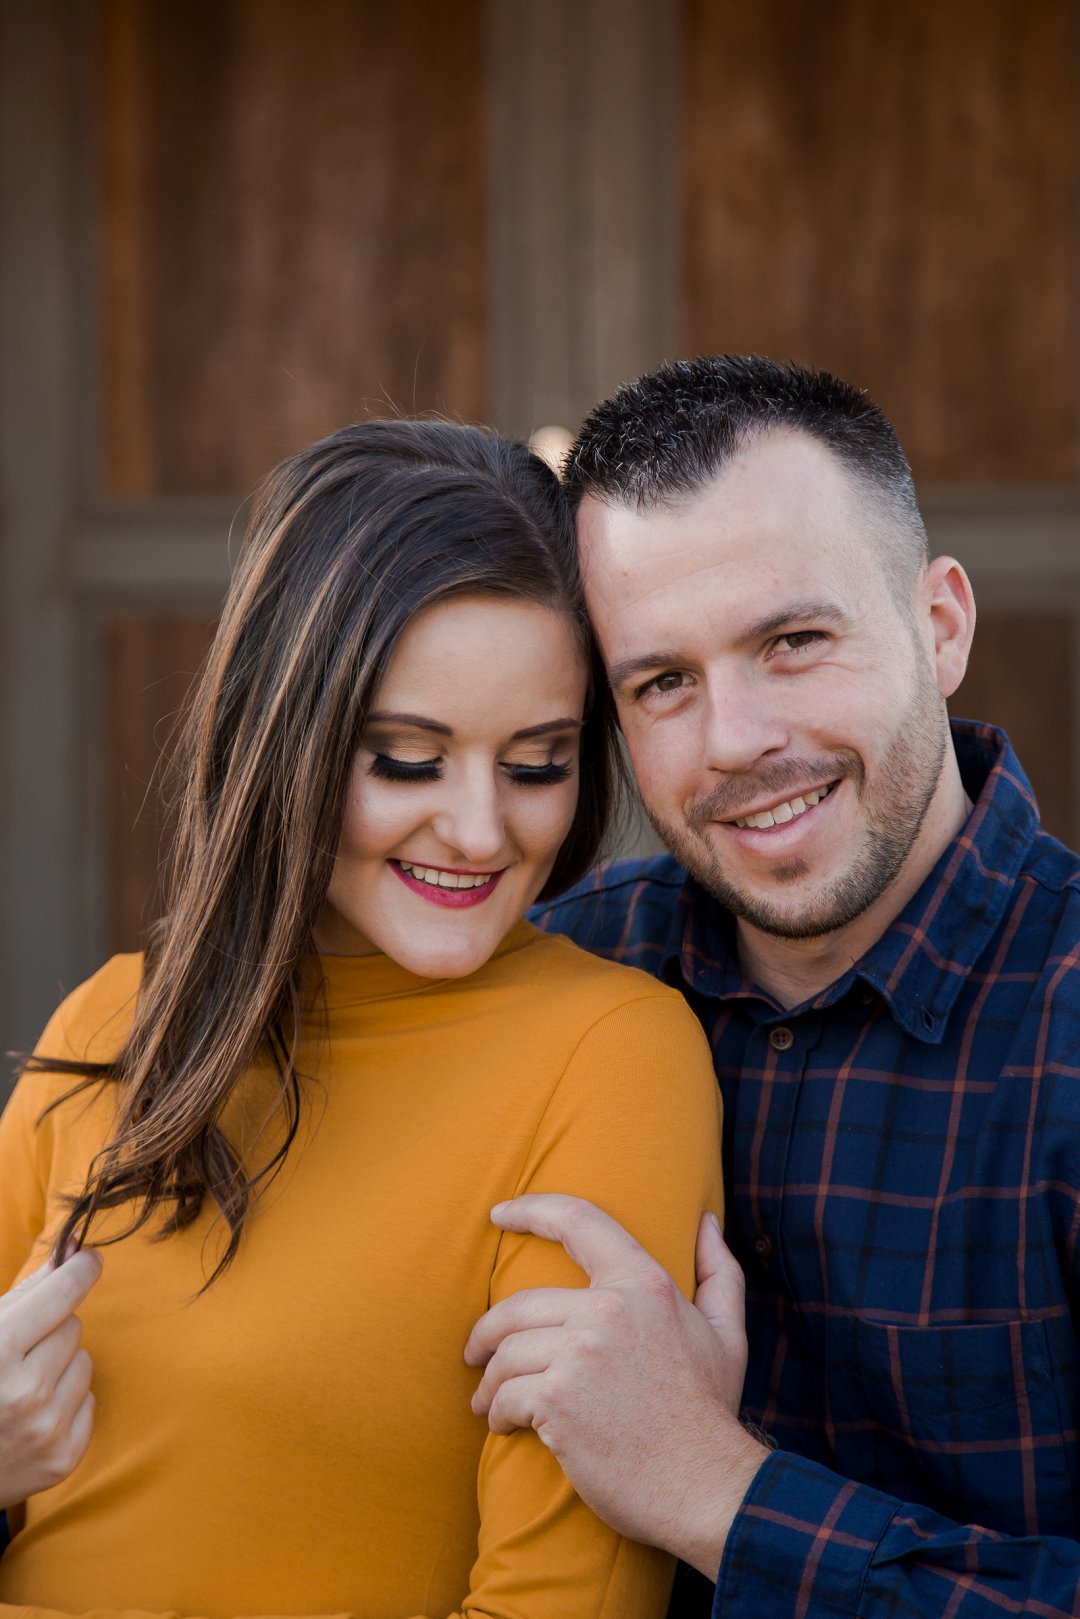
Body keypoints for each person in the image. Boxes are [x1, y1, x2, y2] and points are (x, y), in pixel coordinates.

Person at [0, 420, 724, 1617]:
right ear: (288, 734)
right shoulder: (116, 1014)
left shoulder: (608, 1054)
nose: (483, 831)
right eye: (406, 759)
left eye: (538, 763)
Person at [466, 355, 1080, 1618]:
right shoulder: (559, 982)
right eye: (663, 681)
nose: (735, 740)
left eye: (793, 641)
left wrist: (721, 1494)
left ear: (941, 624)